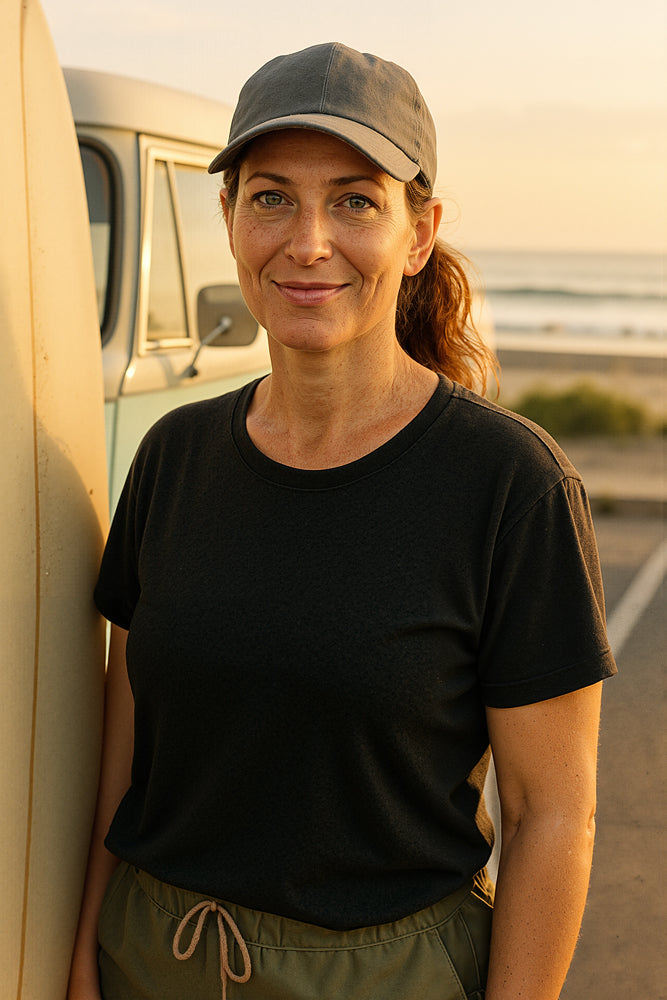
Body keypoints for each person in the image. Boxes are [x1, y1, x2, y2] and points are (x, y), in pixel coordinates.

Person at [68, 42, 616, 1000]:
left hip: (387, 976)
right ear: (231, 220)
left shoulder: (509, 485)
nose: (307, 241)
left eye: (356, 200)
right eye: (271, 196)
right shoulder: (174, 456)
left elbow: (549, 818)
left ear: (417, 233)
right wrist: (81, 964)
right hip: (150, 959)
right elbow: (121, 756)